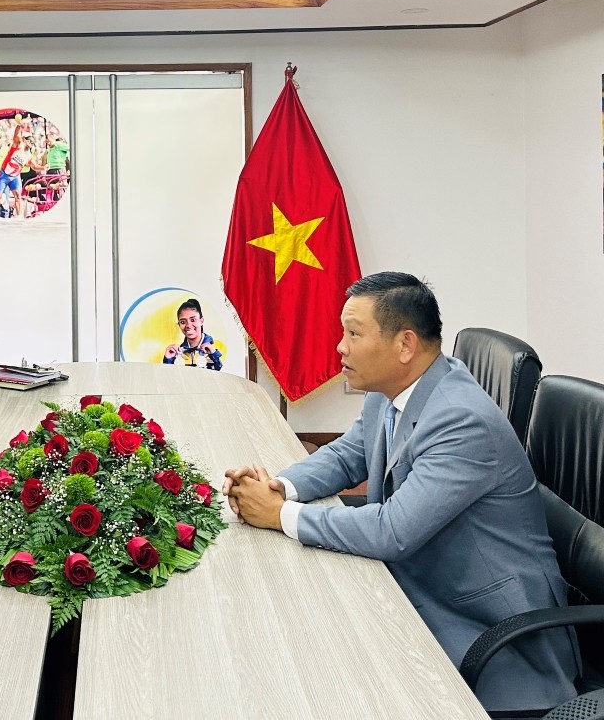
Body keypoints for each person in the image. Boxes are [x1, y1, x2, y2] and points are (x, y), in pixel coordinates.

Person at [223, 272, 577, 713]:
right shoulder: (393, 388)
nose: (340, 347)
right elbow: (348, 454)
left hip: (490, 632)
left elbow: (392, 531)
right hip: (420, 580)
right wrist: (278, 487)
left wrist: (279, 514)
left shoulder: (461, 421)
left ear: (405, 345)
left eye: (354, 334)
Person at [162, 298, 222, 370]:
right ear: (179, 325)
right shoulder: (178, 353)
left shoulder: (213, 350)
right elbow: (170, 376)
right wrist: (168, 360)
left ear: (201, 321)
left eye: (193, 320)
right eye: (183, 322)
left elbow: (220, 374)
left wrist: (214, 356)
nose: (188, 325)